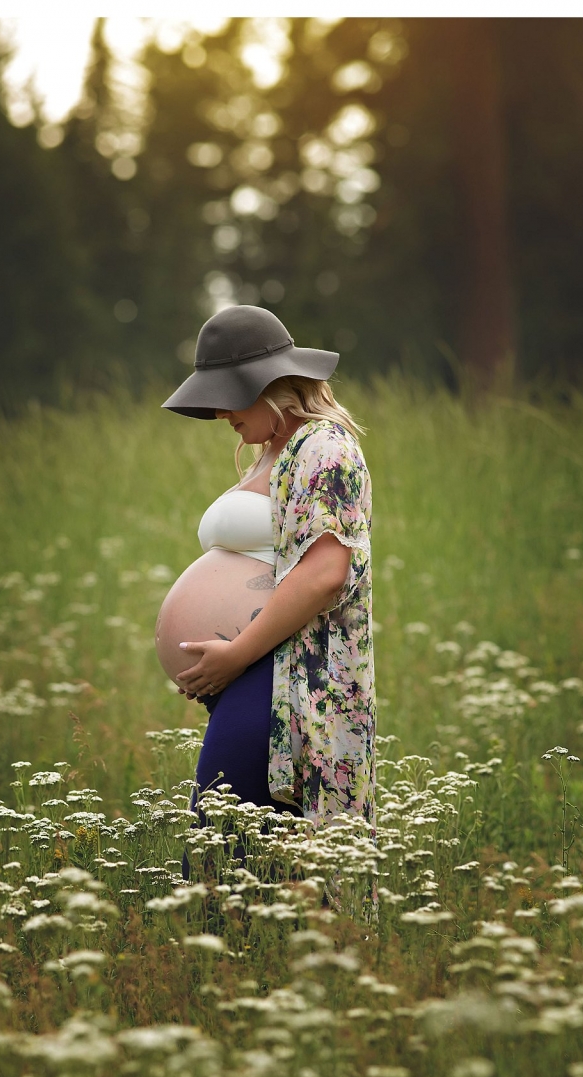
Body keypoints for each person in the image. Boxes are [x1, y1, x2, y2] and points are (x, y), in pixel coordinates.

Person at [161, 305, 376, 878]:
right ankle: (251, 964)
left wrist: (236, 651)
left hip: (287, 680)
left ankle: (240, 961)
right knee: (240, 856)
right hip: (255, 670)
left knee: (220, 857)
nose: (221, 412)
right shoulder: (275, 453)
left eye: (230, 394)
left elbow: (326, 571)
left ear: (272, 386)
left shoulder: (324, 448)